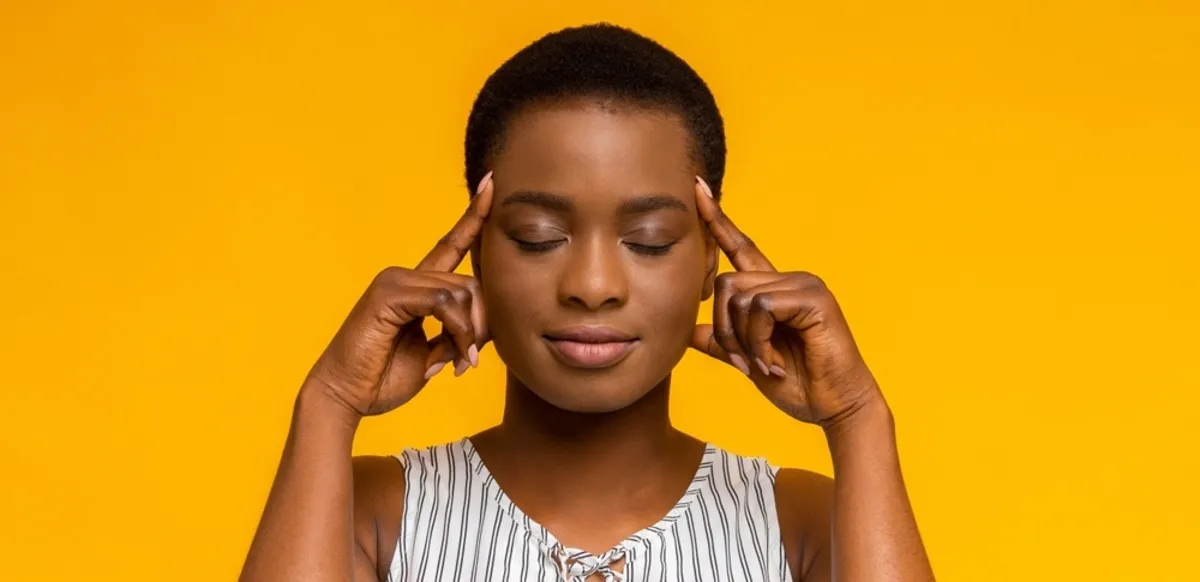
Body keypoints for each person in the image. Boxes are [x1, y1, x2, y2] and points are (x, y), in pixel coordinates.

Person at [239, 23, 934, 582]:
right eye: (539, 238)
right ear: (477, 256)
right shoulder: (374, 513)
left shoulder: (801, 524)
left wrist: (858, 418)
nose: (593, 284)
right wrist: (329, 403)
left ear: (709, 265)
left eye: (650, 241)